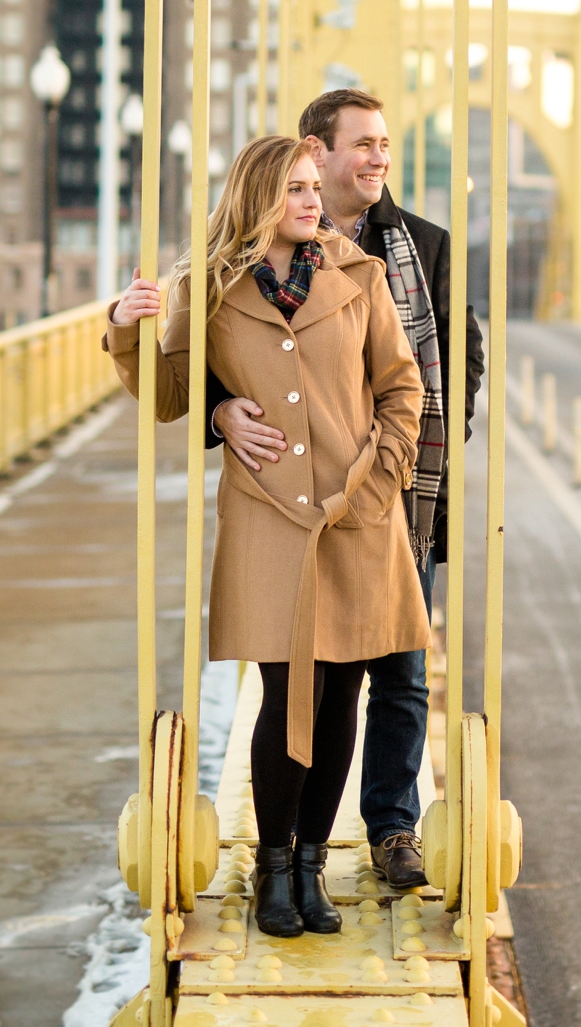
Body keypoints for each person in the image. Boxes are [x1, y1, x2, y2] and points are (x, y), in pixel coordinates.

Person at [105, 134, 425, 939]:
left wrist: (381, 478)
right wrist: (126, 328)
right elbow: (171, 395)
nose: (313, 202)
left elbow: (401, 383)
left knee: (344, 692)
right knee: (290, 692)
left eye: (316, 187)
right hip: (270, 516)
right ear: (257, 198)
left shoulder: (359, 274)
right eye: (295, 189)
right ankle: (272, 868)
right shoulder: (207, 288)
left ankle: (313, 864)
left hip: (357, 516)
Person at [206, 88, 484, 891]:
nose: (378, 158)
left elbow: (444, 369)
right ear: (314, 153)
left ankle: (389, 825)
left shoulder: (418, 247)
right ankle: (284, 860)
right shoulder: (237, 275)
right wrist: (224, 412)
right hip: (291, 510)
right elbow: (193, 377)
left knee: (394, 672)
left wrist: (398, 464)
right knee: (304, 685)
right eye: (361, 143)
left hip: (395, 495)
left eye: (385, 144)